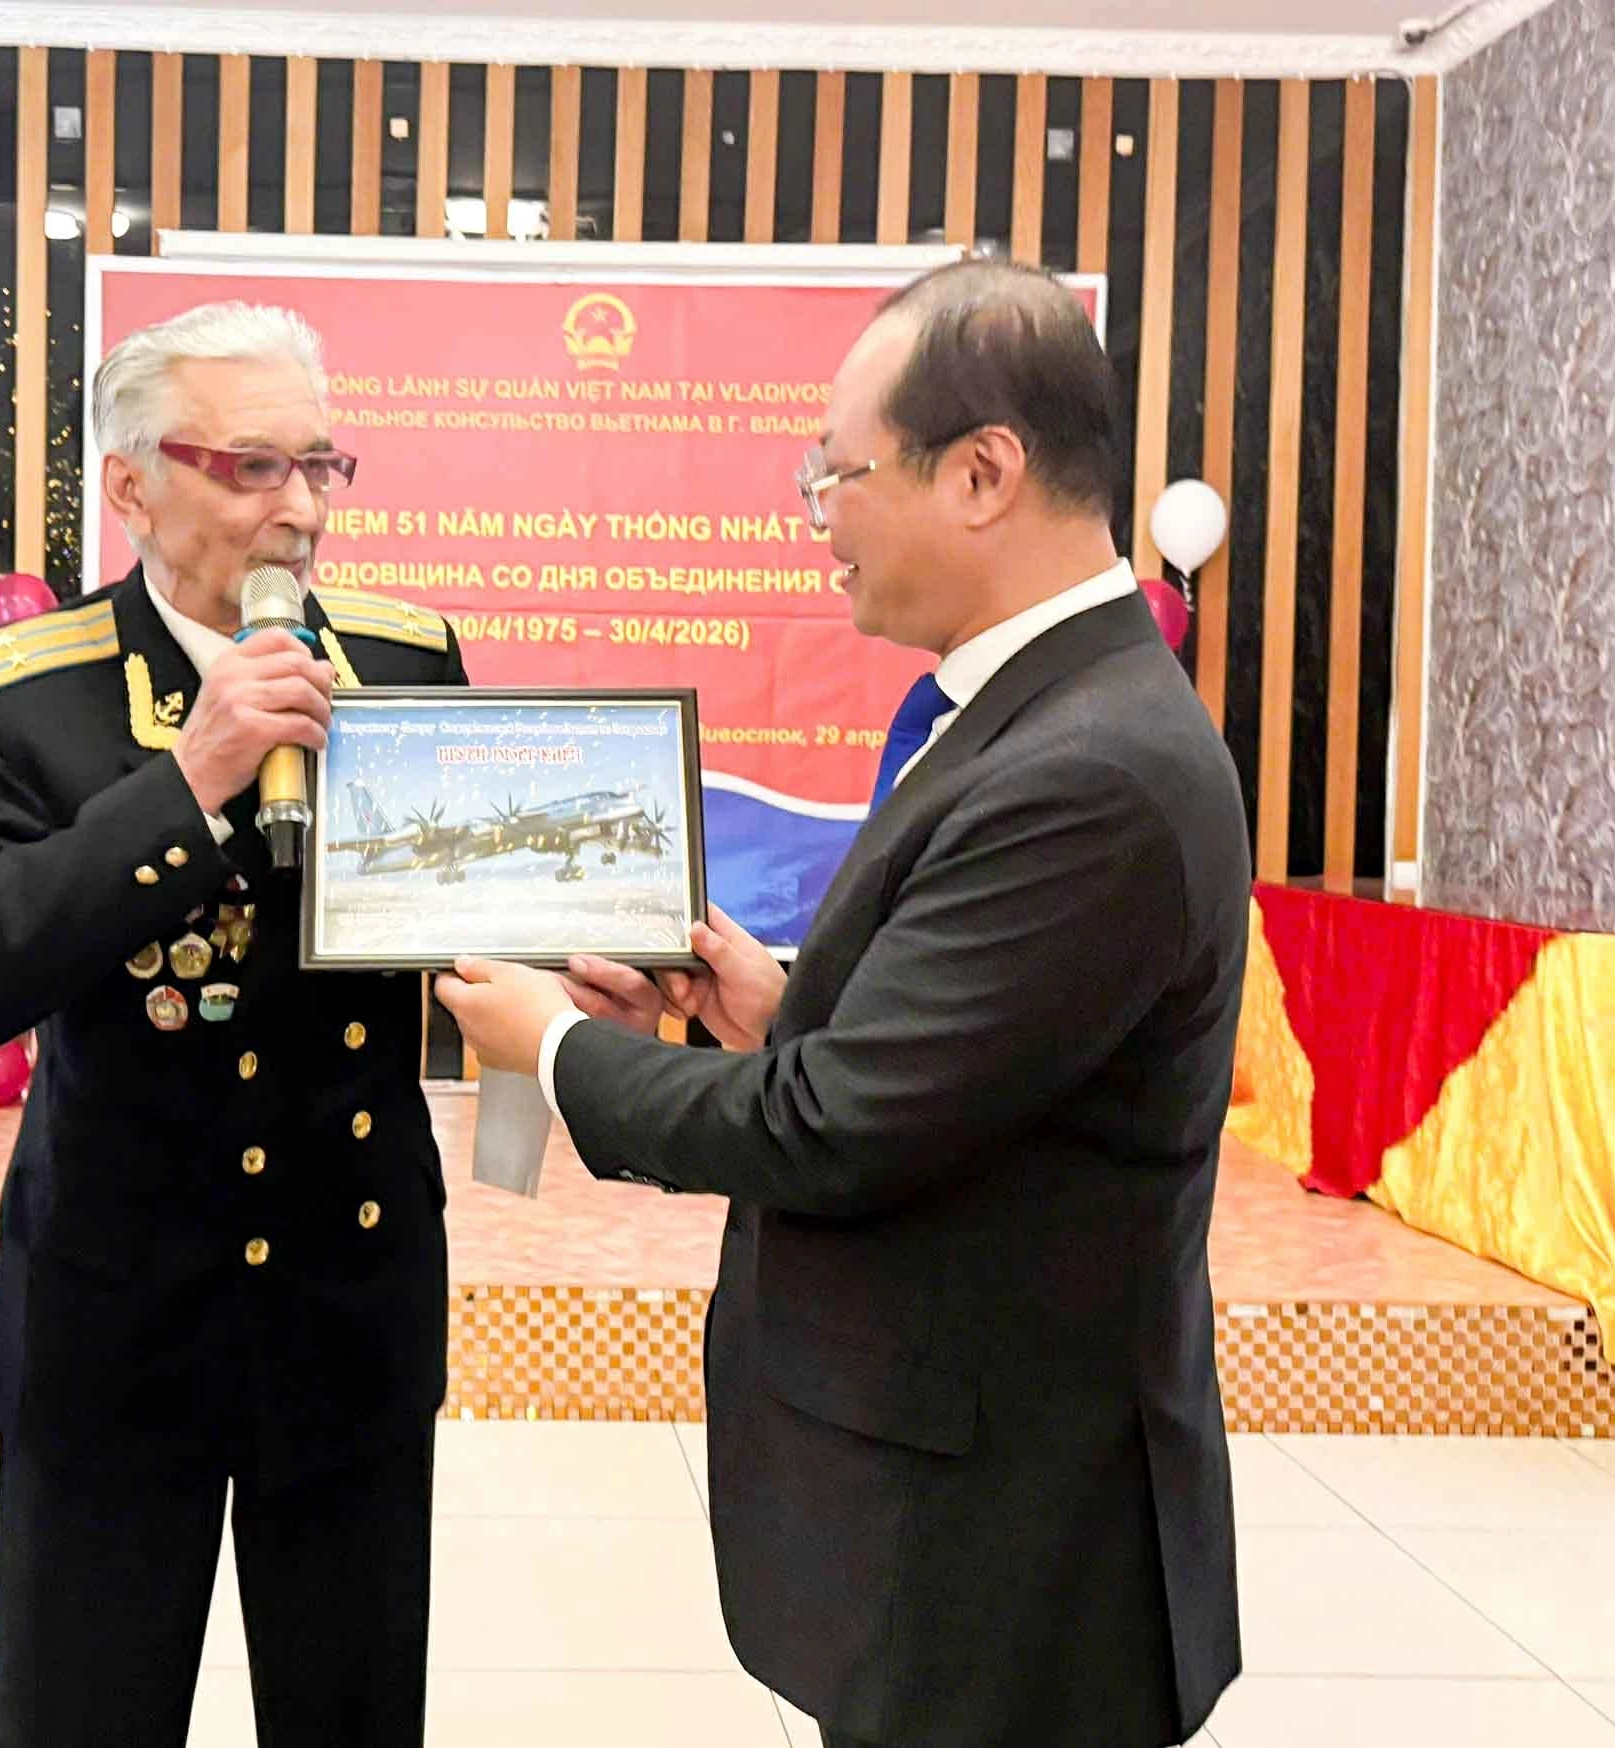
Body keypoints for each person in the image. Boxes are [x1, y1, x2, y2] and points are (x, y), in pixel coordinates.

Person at [436, 257, 1249, 1748]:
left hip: (1013, 1545)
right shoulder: (1012, 711)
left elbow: (835, 1129)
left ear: (985, 472)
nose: (818, 524)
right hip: (956, 1490)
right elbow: (966, 1055)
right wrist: (778, 997)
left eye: (837, 477)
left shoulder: (1093, 770)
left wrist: (547, 1049)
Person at [0, 301, 468, 1748]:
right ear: (134, 486)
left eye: (324, 466)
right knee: (84, 1710)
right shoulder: (27, 692)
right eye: (254, 468)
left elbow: (452, 913)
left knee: (353, 1710)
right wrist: (190, 780)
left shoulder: (402, 660)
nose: (304, 511)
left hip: (349, 1297)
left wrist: (573, 961)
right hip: (118, 1308)